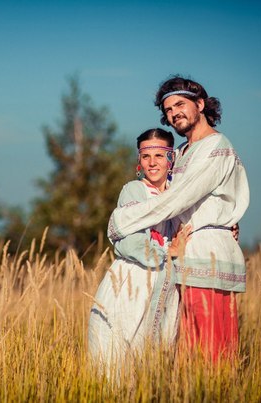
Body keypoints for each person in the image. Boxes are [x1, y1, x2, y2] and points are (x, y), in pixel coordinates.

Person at [107, 76, 250, 363]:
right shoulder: (183, 152)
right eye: (168, 109)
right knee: (185, 349)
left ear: (200, 104)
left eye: (180, 104)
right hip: (186, 257)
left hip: (207, 253)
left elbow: (176, 200)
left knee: (209, 351)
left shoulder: (215, 146)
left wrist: (121, 221)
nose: (174, 113)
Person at [87, 128, 183, 374]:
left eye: (159, 155)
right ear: (138, 161)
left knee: (159, 358)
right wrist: (166, 252)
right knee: (122, 352)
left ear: (171, 158)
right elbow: (128, 241)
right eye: (146, 156)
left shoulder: (179, 192)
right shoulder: (134, 190)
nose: (152, 162)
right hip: (132, 279)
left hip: (167, 281)